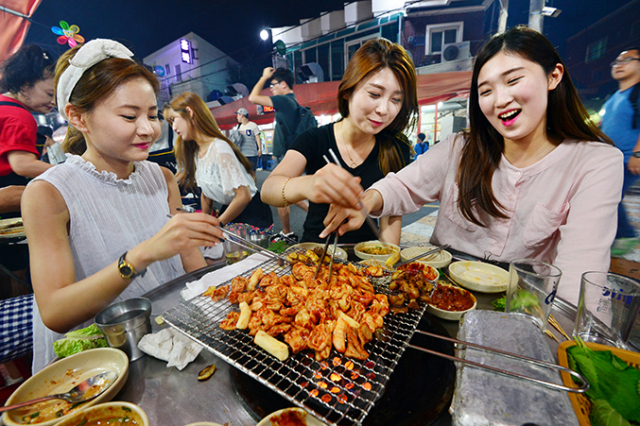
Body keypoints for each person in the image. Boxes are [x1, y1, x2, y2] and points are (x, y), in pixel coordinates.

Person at [321, 27, 623, 306]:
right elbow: (402, 185)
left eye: (514, 80)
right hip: (438, 294)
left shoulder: (594, 162)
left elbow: (581, 281)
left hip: (519, 305)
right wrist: (366, 202)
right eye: (486, 90)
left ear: (553, 76)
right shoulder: (460, 147)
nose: (501, 99)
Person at [21, 39, 223, 372]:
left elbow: (193, 266)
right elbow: (55, 312)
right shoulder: (48, 193)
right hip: (102, 361)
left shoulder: (161, 177)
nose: (148, 129)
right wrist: (141, 256)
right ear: (78, 118)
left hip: (172, 343)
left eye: (153, 115)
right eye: (129, 116)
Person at [261, 38, 417, 245]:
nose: (384, 110)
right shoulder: (314, 139)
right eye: (374, 94)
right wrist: (308, 184)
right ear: (348, 91)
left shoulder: (396, 146)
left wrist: (387, 263)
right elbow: (269, 188)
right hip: (316, 254)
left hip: (367, 259)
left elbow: (392, 214)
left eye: (396, 99)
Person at [164, 92, 273, 231]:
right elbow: (206, 193)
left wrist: (217, 224)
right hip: (231, 208)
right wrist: (205, 221)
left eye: (174, 119)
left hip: (252, 214)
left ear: (189, 112)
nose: (173, 128)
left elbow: (244, 195)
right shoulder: (197, 152)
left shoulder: (219, 148)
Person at [249, 67, 309, 242]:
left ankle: (287, 231)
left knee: (278, 194)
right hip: (288, 155)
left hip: (285, 157)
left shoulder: (284, 100)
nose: (272, 88)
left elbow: (253, 98)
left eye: (273, 84)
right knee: (288, 192)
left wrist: (263, 77)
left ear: (283, 84)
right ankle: (308, 215)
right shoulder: (292, 102)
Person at [601, 47, 640, 256]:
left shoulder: (638, 93)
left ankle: (625, 235)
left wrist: (638, 154)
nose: (619, 65)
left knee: (609, 194)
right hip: (611, 158)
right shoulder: (615, 96)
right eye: (616, 62)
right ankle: (620, 234)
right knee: (608, 194)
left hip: (627, 158)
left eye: (626, 60)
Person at [233, 107, 261, 173]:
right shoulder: (238, 126)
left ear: (241, 115)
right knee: (243, 173)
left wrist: (259, 149)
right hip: (242, 154)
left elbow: (257, 137)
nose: (237, 117)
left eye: (238, 115)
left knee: (252, 173)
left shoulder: (253, 125)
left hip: (252, 154)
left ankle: (253, 184)